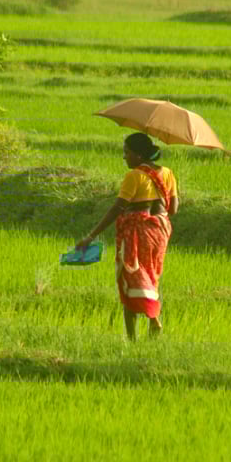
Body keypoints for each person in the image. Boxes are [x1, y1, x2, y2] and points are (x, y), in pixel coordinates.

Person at [76, 132, 179, 340]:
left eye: (127, 152)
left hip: (137, 231)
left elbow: (117, 209)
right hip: (160, 230)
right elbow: (174, 208)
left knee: (129, 279)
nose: (124, 157)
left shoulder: (134, 176)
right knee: (150, 276)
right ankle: (152, 320)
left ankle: (135, 336)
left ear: (139, 155)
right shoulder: (167, 173)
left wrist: (91, 236)